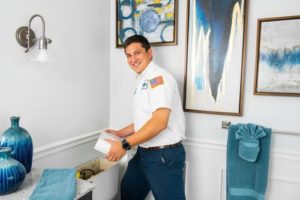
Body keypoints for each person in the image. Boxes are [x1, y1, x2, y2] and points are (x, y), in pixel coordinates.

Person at [105, 35, 186, 200]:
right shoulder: (144, 80)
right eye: (128, 55)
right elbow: (146, 120)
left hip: (163, 155)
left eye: (137, 53)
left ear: (149, 53)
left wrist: (124, 144)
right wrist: (120, 133)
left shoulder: (159, 79)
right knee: (129, 191)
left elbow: (159, 122)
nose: (132, 59)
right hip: (144, 152)